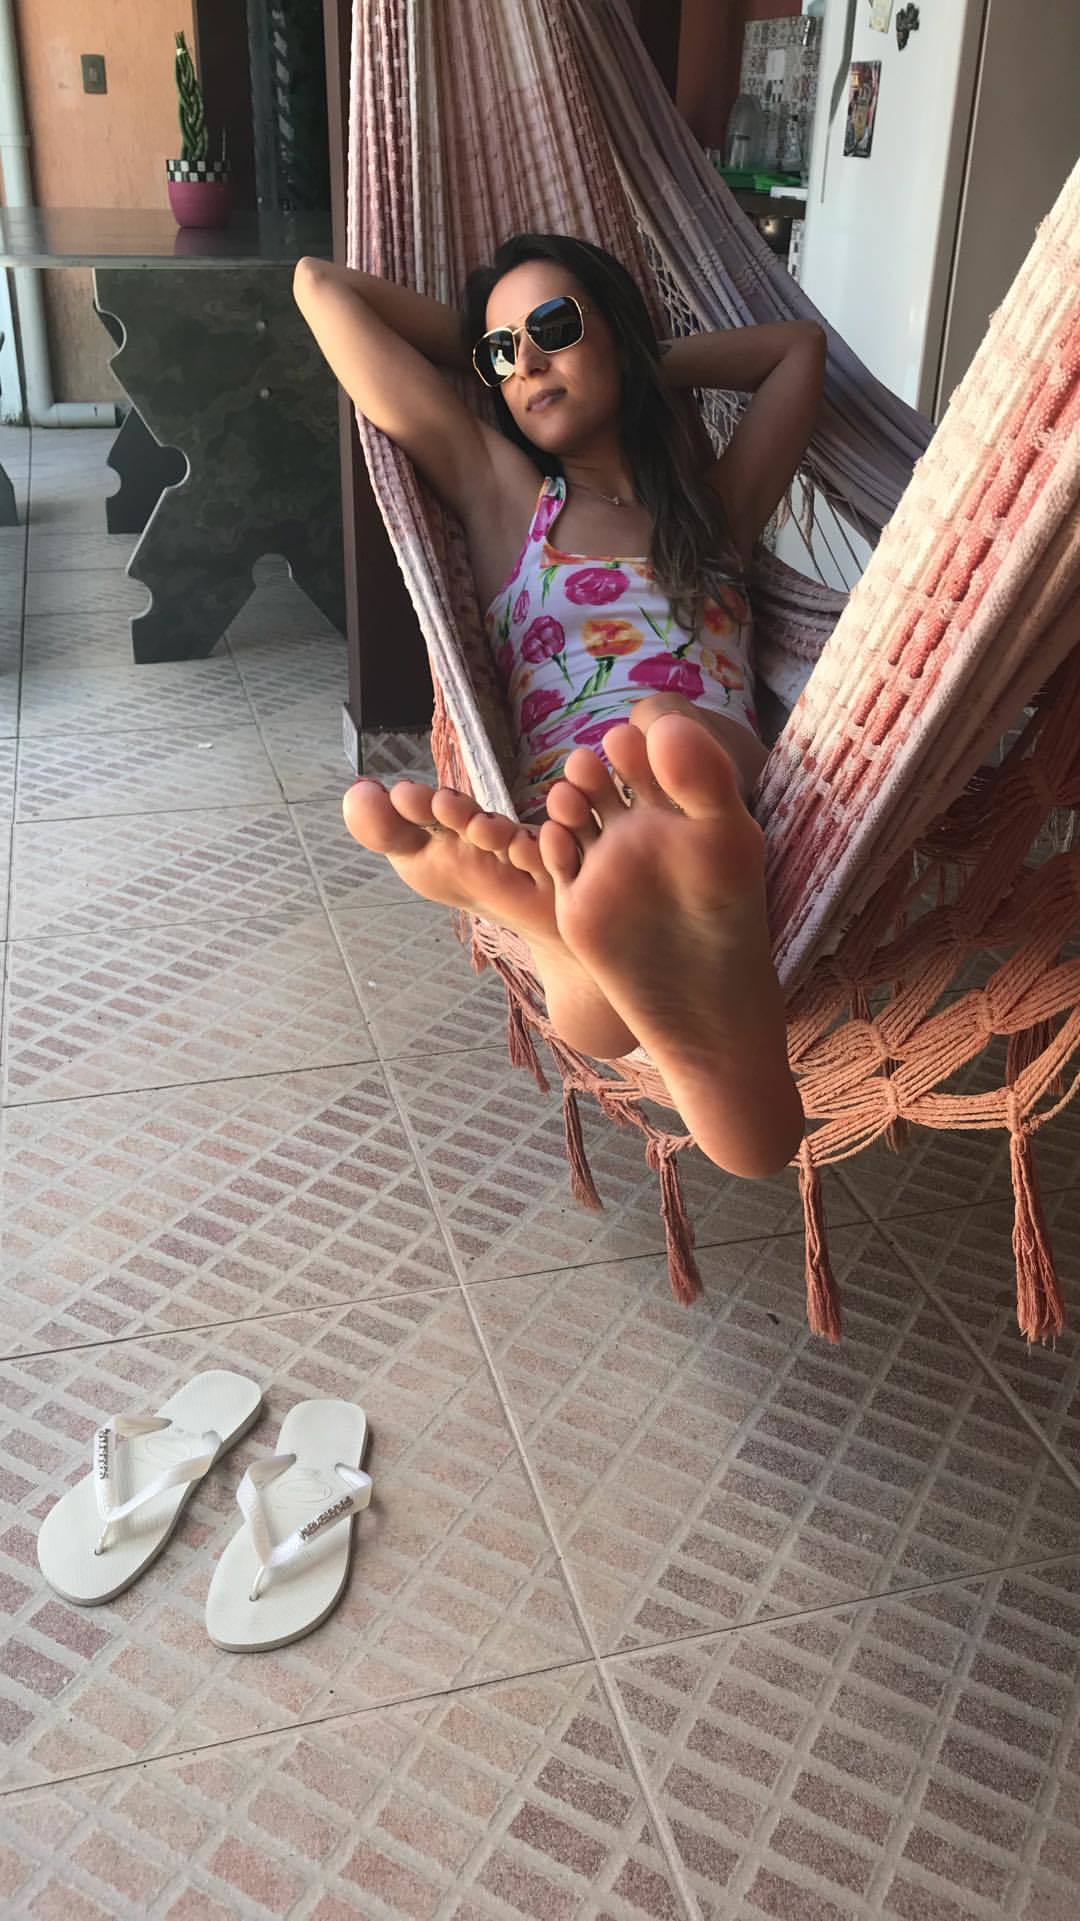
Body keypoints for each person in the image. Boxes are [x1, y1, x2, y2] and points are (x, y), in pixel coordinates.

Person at [293, 233, 826, 1179]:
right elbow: (320, 287)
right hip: (573, 801)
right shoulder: (504, 498)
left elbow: (796, 351)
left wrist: (643, 355)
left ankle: (583, 942)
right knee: (616, 783)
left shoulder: (715, 509)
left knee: (664, 734)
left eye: (553, 326)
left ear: (614, 331)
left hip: (709, 780)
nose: (526, 362)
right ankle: (591, 947)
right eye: (500, 352)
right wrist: (499, 347)